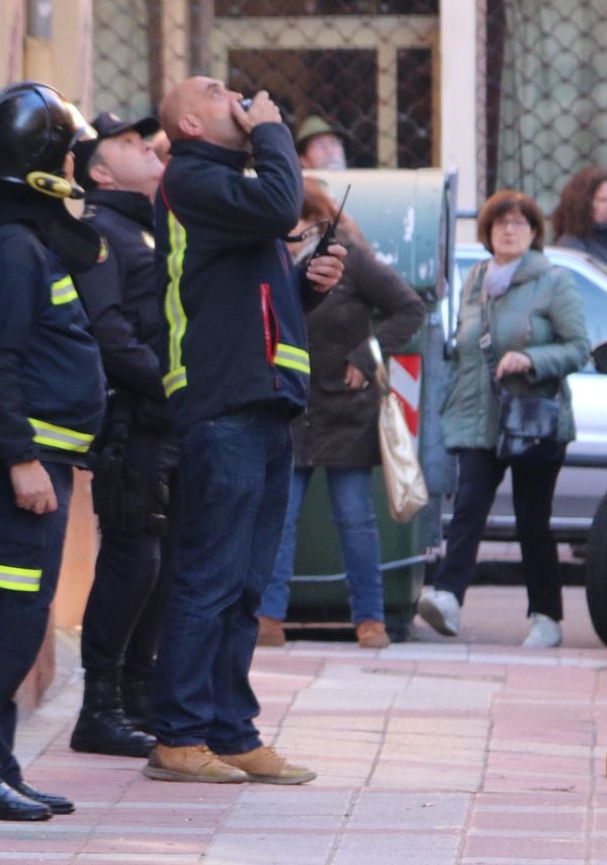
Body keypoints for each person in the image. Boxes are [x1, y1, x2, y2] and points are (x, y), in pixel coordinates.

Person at [144, 76, 345, 786]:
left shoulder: (231, 191)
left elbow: (249, 299)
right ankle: (179, 736)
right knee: (210, 576)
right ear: (191, 123)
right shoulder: (194, 178)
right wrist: (273, 131)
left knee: (245, 584)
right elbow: (281, 202)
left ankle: (231, 731)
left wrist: (306, 288)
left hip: (262, 404)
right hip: (222, 404)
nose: (233, 91)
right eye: (213, 89)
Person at [0, 82, 106, 821]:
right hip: (14, 469)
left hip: (22, 461)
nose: (79, 166)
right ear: (41, 163)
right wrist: (21, 458)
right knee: (8, 621)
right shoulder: (10, 247)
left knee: (13, 618)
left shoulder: (13, 236)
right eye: (71, 154)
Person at [256, 183, 426, 650]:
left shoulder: (348, 257)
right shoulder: (272, 258)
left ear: (315, 219)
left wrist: (366, 354)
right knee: (280, 516)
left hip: (345, 409)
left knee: (354, 518)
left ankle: (370, 620)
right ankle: (268, 617)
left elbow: (410, 306)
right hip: (292, 407)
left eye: (295, 220)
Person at [418, 190, 589, 648]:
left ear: (534, 233)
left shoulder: (554, 282)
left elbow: (578, 348)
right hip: (479, 418)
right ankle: (449, 598)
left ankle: (546, 616)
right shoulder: (475, 279)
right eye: (500, 224)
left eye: (519, 223)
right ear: (488, 233)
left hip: (533, 419)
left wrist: (531, 360)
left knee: (533, 520)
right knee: (469, 506)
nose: (508, 230)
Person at [65, 110, 173, 758]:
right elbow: (107, 330)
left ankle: (137, 695)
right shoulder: (101, 231)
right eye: (129, 143)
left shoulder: (150, 230)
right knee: (133, 562)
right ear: (100, 170)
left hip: (165, 423)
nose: (146, 147)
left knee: (162, 566)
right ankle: (98, 708)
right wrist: (168, 384)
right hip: (134, 423)